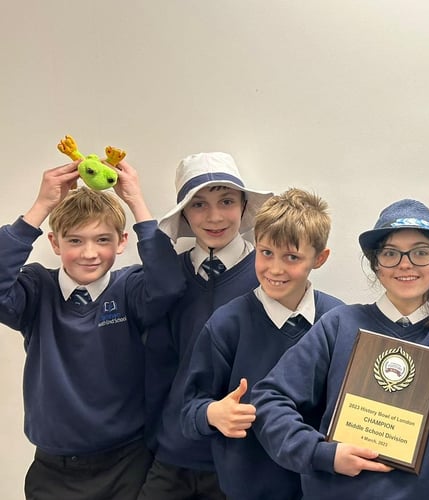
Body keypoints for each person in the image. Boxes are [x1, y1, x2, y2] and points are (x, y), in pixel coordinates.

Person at [250, 199, 429, 500]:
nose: (405, 264)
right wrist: (320, 453)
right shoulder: (339, 324)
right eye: (391, 253)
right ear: (376, 264)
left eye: (421, 252)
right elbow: (269, 399)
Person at [0, 160, 185, 500]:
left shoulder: (130, 288)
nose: (89, 253)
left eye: (102, 239)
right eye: (75, 240)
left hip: (126, 465)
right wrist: (41, 206)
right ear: (55, 243)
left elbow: (169, 285)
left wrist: (136, 200)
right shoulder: (36, 288)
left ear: (121, 242)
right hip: (53, 472)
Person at [180, 187, 344, 500]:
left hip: (321, 486)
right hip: (249, 489)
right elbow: (189, 411)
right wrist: (213, 414)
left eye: (292, 257)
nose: (275, 269)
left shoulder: (338, 320)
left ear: (320, 258)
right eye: (266, 253)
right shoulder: (225, 325)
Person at [140, 152, 272, 499]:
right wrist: (156, 437)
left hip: (239, 461)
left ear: (244, 206)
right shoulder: (168, 280)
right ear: (184, 213)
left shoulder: (270, 278)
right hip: (171, 457)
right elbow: (157, 365)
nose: (214, 216)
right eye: (198, 204)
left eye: (226, 201)